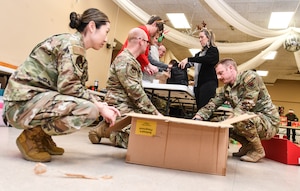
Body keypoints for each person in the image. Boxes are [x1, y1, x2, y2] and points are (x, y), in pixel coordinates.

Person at [3, 8, 120, 162]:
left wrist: (100, 104)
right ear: (92, 26)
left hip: (30, 102)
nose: (106, 39)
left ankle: (43, 137)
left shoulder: (75, 47)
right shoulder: (72, 45)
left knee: (89, 105)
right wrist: (99, 106)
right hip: (20, 106)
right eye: (106, 32)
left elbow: (73, 87)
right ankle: (30, 138)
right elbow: (69, 87)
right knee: (89, 110)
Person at [193, 58, 280, 163]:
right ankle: (247, 145)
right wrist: (199, 116)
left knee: (238, 118)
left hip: (268, 122)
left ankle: (258, 150)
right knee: (216, 122)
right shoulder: (227, 89)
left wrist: (231, 118)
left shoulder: (250, 78)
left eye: (221, 73)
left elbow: (247, 103)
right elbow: (214, 103)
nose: (218, 77)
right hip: (250, 119)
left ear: (231, 68)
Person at [89, 28, 162, 148]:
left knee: (154, 131)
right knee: (144, 140)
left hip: (129, 107)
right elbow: (135, 92)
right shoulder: (126, 60)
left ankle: (109, 126)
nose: (147, 46)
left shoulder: (132, 61)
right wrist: (155, 113)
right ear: (140, 41)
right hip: (120, 107)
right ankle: (107, 130)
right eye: (147, 42)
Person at [178, 28, 219, 110]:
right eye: (199, 38)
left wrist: (189, 59)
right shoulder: (198, 54)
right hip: (198, 85)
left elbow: (207, 59)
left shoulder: (213, 50)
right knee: (199, 109)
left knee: (205, 109)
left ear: (208, 38)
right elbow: (193, 63)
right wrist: (182, 64)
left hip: (208, 84)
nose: (200, 40)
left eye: (202, 37)